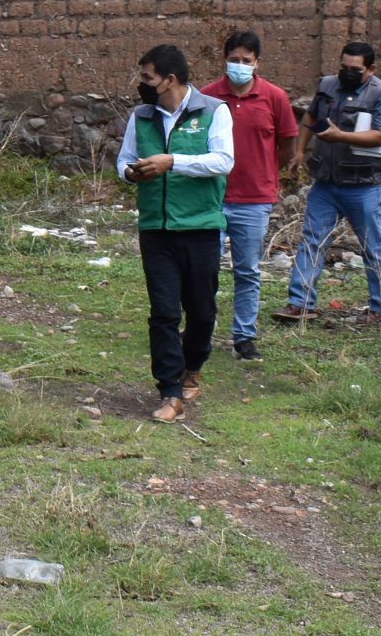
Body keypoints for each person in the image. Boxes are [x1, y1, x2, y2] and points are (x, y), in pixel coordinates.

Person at [117, 43, 233, 424]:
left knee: (201, 310)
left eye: (147, 77)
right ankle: (170, 390)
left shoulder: (214, 111)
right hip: (156, 227)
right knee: (163, 312)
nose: (141, 83)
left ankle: (193, 365)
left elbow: (223, 161)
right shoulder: (141, 116)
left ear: (170, 80)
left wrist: (173, 162)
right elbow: (123, 160)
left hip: (200, 226)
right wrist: (130, 172)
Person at [273, 39, 381, 326]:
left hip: (363, 184)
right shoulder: (328, 85)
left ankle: (380, 309)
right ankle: (300, 304)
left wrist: (341, 136)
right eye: (343, 67)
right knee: (311, 242)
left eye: (355, 69)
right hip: (326, 183)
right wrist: (301, 151)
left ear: (371, 69)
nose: (347, 73)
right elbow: (312, 117)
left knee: (372, 247)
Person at [200, 31, 300, 363]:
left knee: (248, 270)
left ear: (257, 62)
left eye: (247, 61)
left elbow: (287, 145)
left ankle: (244, 336)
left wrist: (266, 171)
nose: (239, 66)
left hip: (255, 200)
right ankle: (201, 331)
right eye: (234, 59)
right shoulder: (207, 97)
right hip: (212, 197)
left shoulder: (274, 97)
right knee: (204, 269)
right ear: (224, 59)